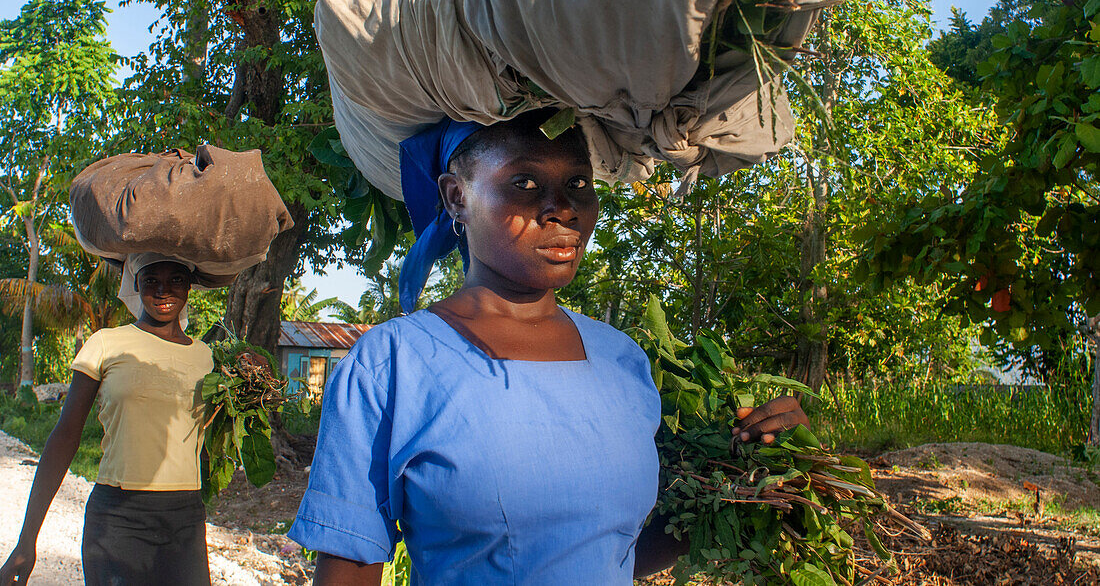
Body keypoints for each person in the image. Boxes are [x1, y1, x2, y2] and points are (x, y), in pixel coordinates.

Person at [290, 110, 809, 585]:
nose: (561, 208)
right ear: (455, 197)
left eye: (578, 184)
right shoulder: (391, 363)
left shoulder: (620, 359)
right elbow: (349, 567)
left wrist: (754, 474)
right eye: (525, 182)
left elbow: (612, 556)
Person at [0, 253, 214, 586]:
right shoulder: (107, 343)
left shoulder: (207, 357)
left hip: (184, 518)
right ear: (135, 283)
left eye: (176, 280)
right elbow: (65, 436)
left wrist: (257, 373)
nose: (163, 291)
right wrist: (27, 540)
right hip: (119, 518)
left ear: (190, 286)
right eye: (151, 280)